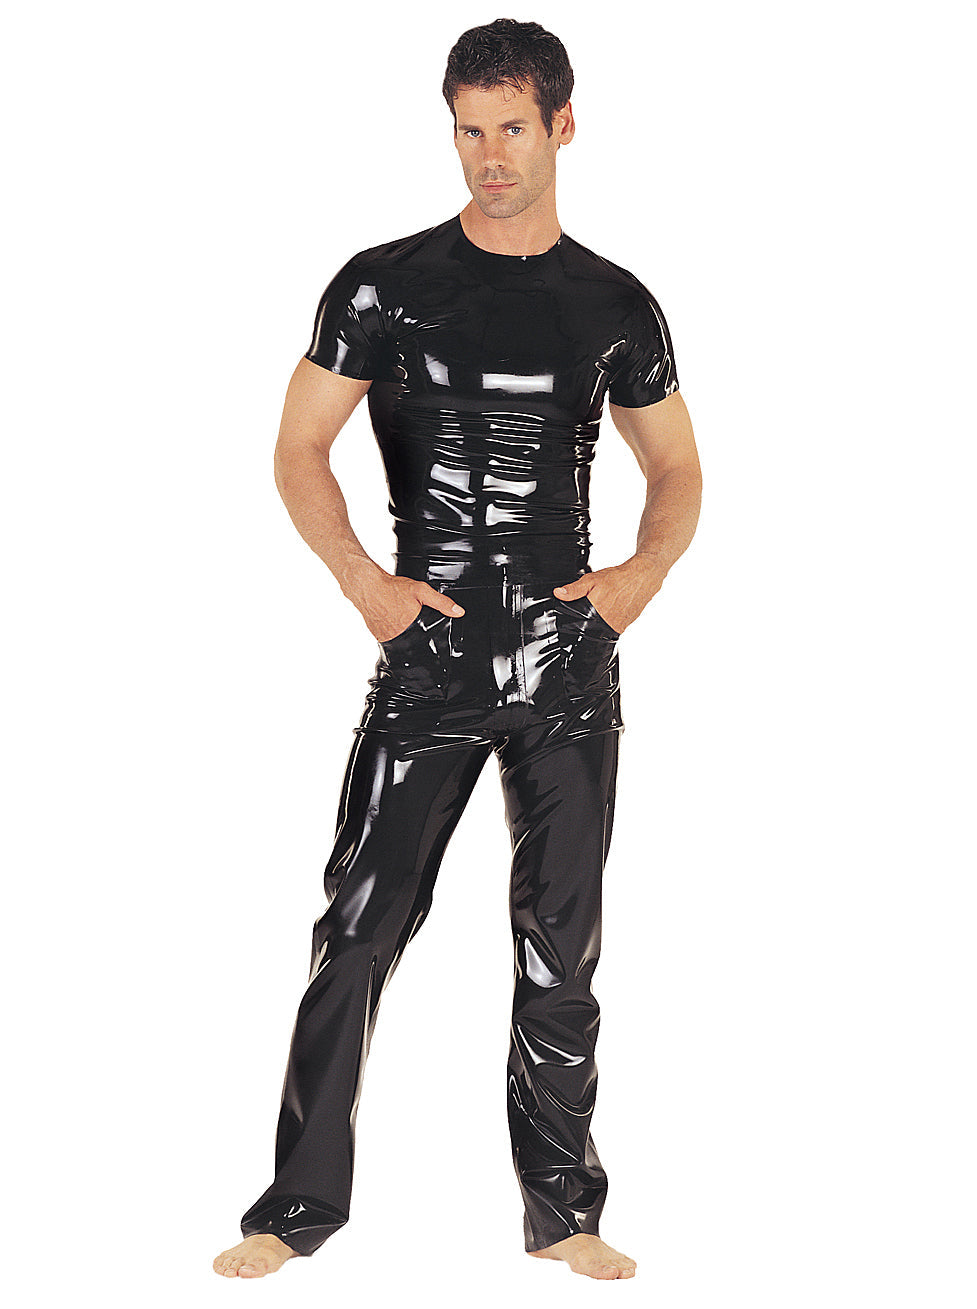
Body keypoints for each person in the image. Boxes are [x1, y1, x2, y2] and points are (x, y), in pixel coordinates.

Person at [213, 17, 701, 1283]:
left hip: (567, 653)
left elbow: (675, 465)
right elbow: (297, 446)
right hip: (425, 650)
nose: (489, 154)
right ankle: (293, 1209)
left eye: (512, 128)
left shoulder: (614, 301)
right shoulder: (381, 285)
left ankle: (564, 1211)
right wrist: (364, 585)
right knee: (358, 927)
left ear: (561, 127)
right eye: (469, 129)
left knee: (559, 946)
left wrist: (635, 581)